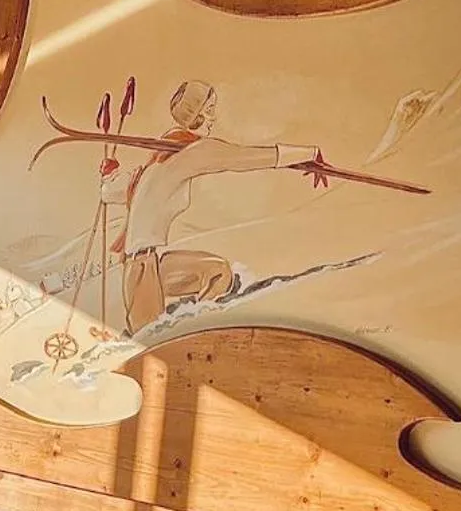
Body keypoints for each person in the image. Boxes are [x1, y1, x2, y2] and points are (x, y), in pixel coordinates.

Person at [119, 80, 325, 334]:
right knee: (151, 339)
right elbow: (244, 157)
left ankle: (192, 327)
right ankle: (187, 332)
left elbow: (117, 192)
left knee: (217, 273)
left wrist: (107, 180)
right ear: (195, 114)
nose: (214, 117)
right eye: (209, 109)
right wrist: (309, 153)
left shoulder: (165, 155)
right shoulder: (190, 153)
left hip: (151, 262)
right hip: (141, 268)